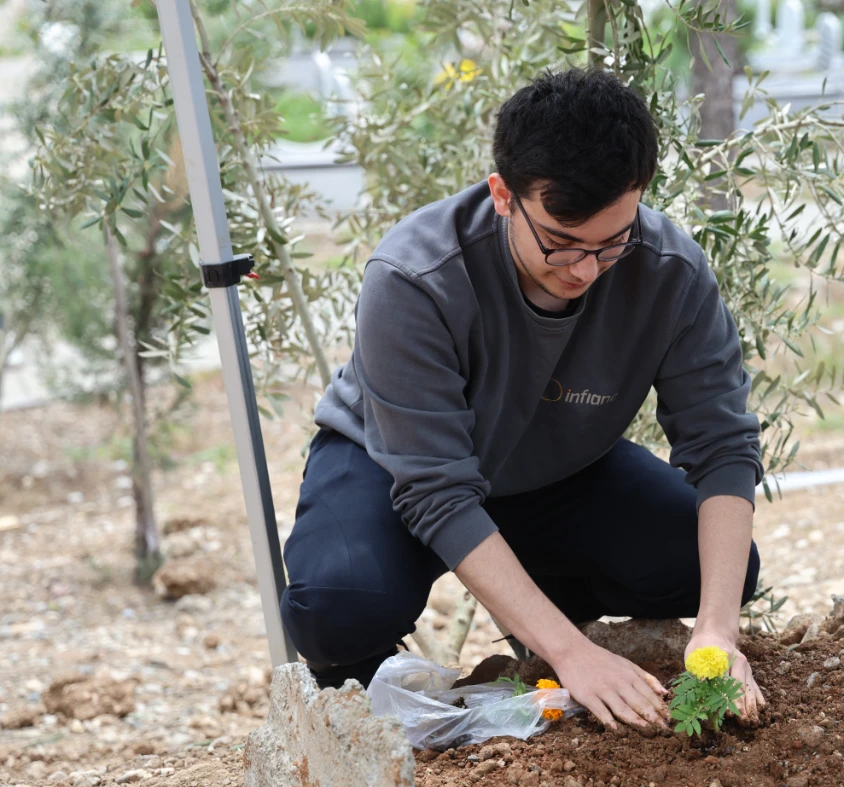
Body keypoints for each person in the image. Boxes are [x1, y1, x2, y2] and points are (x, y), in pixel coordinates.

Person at [280, 67, 766, 731]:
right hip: (392, 464)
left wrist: (716, 631)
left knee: (715, 566)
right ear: (503, 194)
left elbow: (723, 445)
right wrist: (574, 655)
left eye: (611, 242)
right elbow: (436, 491)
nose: (585, 270)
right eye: (561, 243)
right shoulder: (415, 277)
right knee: (339, 604)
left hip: (554, 466)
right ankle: (367, 705)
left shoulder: (670, 271)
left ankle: (540, 610)